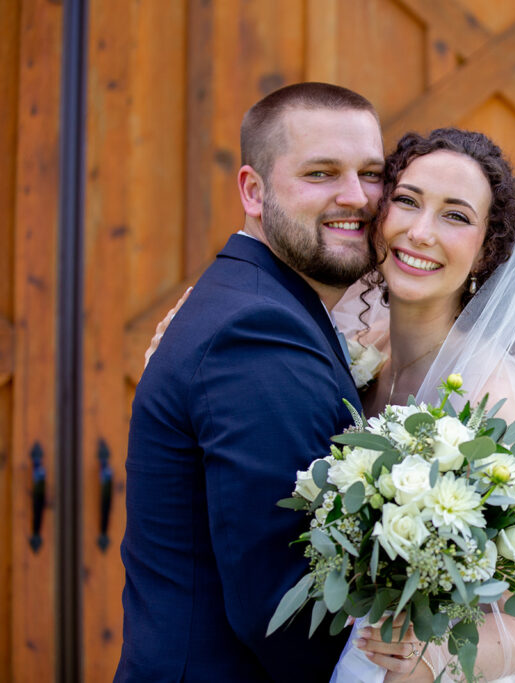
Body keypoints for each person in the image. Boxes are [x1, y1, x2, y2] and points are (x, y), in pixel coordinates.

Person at [115, 82, 385, 682]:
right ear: (253, 191)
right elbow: (284, 607)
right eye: (321, 173)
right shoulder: (255, 332)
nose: (356, 197)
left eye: (371, 173)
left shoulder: (265, 306)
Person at [330, 128, 515, 682]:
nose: (420, 231)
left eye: (455, 216)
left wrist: (434, 658)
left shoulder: (496, 397)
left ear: (486, 250)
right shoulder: (362, 351)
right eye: (407, 202)